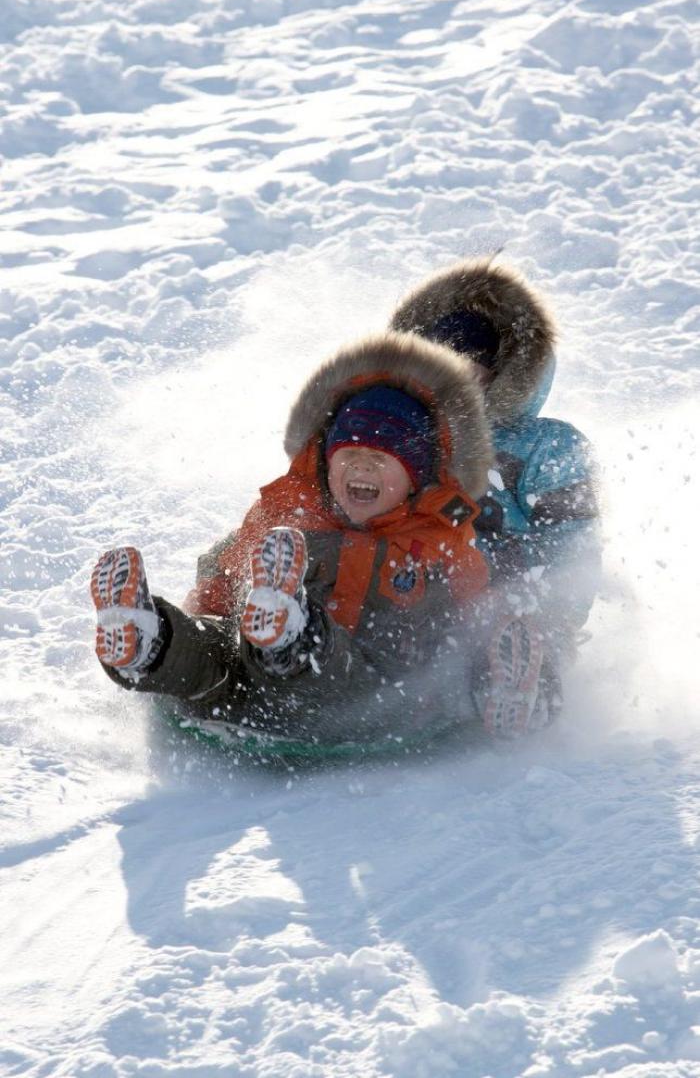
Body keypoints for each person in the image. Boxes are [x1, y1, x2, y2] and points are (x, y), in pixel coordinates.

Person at [91, 331, 494, 744]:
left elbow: (481, 616)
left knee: (325, 657)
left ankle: (290, 634)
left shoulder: (439, 540)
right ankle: (149, 640)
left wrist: (491, 676)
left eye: (379, 460)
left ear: (415, 478)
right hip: (251, 694)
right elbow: (226, 565)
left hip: (363, 703)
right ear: (326, 461)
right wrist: (208, 614)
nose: (362, 469)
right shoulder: (291, 511)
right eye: (349, 456)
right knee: (214, 656)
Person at [389, 257, 601, 739]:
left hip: (515, 590)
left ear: (495, 373)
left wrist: (556, 615)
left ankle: (521, 681)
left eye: (464, 371)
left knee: (503, 620)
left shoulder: (548, 445)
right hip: (419, 586)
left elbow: (574, 542)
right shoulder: (404, 435)